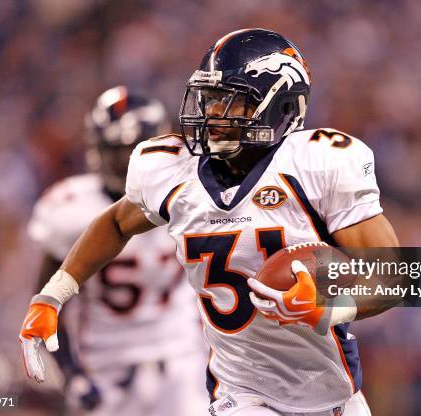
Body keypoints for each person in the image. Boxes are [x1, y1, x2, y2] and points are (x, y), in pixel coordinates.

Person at [20, 30, 399, 415]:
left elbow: (395, 275)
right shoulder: (174, 171)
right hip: (243, 395)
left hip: (336, 397)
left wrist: (330, 305)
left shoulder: (319, 164)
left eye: (231, 103)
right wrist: (53, 295)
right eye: (210, 100)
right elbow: (116, 224)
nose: (212, 115)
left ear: (281, 107)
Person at [25, 86, 208, 415]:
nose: (124, 161)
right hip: (107, 368)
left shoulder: (191, 195)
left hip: (182, 361)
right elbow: (48, 303)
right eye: (114, 149)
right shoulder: (70, 209)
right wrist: (71, 374)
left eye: (132, 150)